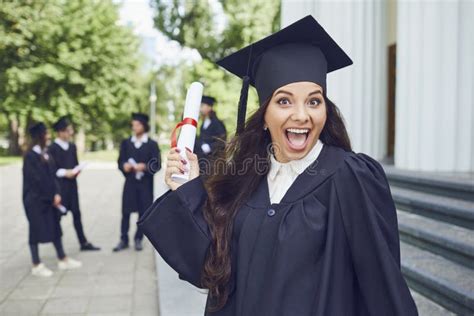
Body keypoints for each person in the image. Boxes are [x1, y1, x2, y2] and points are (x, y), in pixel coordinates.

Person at [138, 15, 418, 316]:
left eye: (314, 101)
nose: (301, 115)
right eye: (284, 101)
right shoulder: (248, 178)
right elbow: (214, 268)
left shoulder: (351, 176)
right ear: (264, 113)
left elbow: (382, 288)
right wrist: (190, 189)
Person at [23, 122, 82, 277]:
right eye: (46, 134)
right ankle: (36, 264)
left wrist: (57, 193)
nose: (48, 136)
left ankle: (62, 258)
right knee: (34, 231)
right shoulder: (31, 156)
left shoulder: (46, 153)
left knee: (56, 228)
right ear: (39, 137)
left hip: (50, 199)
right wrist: (51, 196)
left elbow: (52, 176)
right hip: (35, 201)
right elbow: (35, 182)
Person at [48, 116, 100, 251]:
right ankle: (57, 246)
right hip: (59, 187)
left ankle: (83, 243)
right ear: (60, 132)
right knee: (57, 217)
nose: (70, 133)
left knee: (77, 214)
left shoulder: (72, 147)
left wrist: (77, 171)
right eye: (67, 130)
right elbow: (51, 170)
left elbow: (75, 165)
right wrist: (66, 172)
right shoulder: (52, 148)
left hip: (72, 186)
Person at [113, 113, 161, 252]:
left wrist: (145, 167)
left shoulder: (151, 144)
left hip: (145, 184)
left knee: (143, 212)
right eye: (133, 125)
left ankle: (138, 238)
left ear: (144, 126)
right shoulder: (127, 143)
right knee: (126, 212)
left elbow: (157, 164)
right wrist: (124, 166)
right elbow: (120, 161)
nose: (134, 127)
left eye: (137, 125)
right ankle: (123, 239)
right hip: (130, 183)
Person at [194, 95, 227, 161]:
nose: (200, 109)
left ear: (209, 107)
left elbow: (222, 141)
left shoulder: (217, 123)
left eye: (202, 106)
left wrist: (209, 147)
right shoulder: (203, 124)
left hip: (212, 159)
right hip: (201, 157)